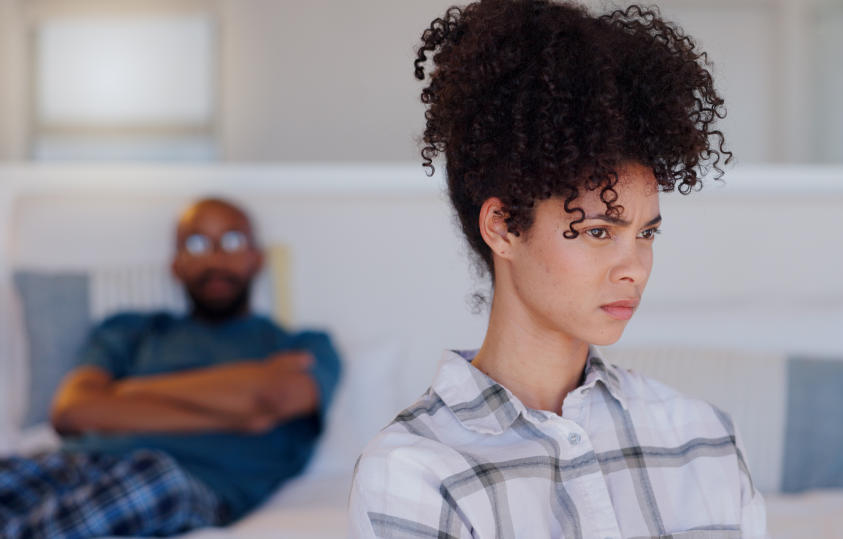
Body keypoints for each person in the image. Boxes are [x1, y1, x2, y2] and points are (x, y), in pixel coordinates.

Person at [349, 1, 766, 537]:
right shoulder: (415, 471)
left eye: (647, 233)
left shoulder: (703, 438)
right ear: (502, 227)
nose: (634, 268)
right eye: (598, 232)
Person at [0, 198, 341, 538]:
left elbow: (269, 398)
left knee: (152, 478)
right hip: (71, 463)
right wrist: (239, 410)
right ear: (176, 264)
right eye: (196, 244)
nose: (215, 257)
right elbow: (72, 412)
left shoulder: (302, 347)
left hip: (189, 485)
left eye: (232, 241)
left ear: (256, 258)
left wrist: (128, 391)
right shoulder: (131, 329)